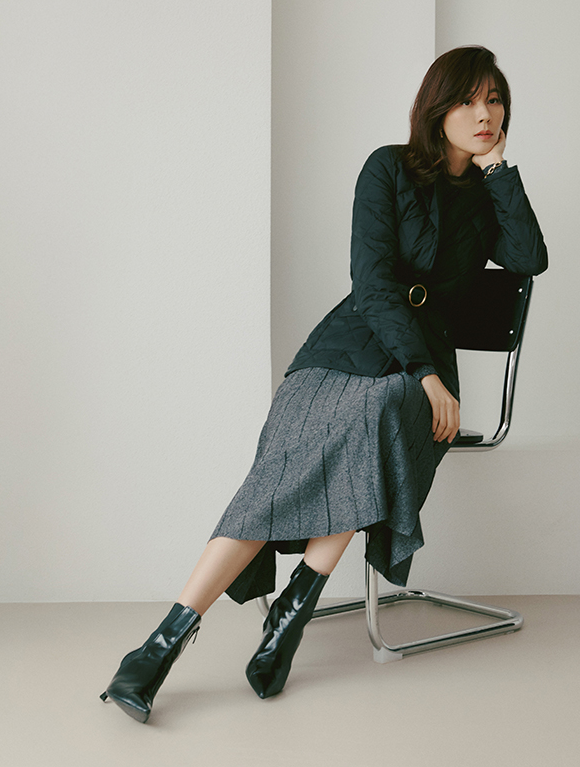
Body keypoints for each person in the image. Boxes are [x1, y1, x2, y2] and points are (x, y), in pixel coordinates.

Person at [99, 46, 548, 724]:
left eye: (494, 99)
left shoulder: (488, 196)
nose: (484, 113)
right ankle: (166, 644)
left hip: (414, 380)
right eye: (466, 100)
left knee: (374, 419)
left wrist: (499, 173)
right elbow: (372, 284)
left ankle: (290, 611)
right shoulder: (387, 168)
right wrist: (426, 373)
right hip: (348, 348)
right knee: (288, 466)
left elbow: (527, 258)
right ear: (437, 109)